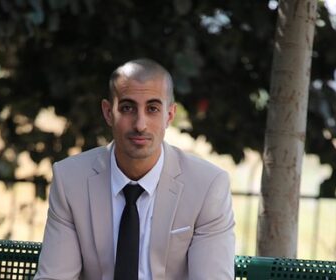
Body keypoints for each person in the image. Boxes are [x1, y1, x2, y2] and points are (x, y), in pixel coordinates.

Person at [34, 58, 235, 280]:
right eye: (128, 108)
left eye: (152, 109)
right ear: (108, 112)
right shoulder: (70, 181)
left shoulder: (207, 186)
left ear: (169, 115)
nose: (140, 124)